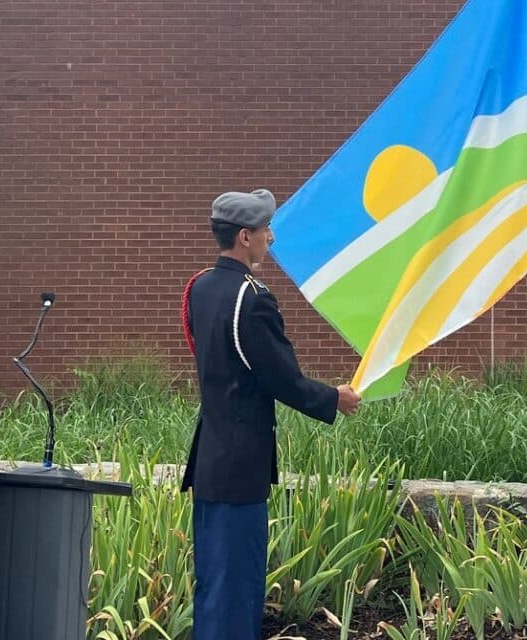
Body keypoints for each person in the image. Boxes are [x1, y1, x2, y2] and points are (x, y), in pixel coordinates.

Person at [180, 188, 362, 640]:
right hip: (241, 468)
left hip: (210, 462)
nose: (270, 237)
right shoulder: (252, 297)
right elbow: (281, 379)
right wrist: (333, 397)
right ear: (245, 236)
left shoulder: (200, 287)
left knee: (213, 586)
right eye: (265, 231)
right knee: (238, 588)